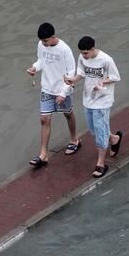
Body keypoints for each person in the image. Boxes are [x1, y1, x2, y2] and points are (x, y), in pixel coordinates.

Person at [65, 36, 123, 178]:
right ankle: (114, 139)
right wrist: (73, 80)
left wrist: (102, 82)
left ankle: (101, 163)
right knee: (93, 129)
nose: (83, 55)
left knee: (100, 131)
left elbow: (115, 77)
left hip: (103, 100)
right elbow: (81, 73)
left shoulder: (106, 60)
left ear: (93, 49)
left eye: (86, 53)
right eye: (81, 53)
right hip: (88, 98)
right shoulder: (82, 57)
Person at [25, 22, 81, 168]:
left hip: (63, 89)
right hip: (46, 88)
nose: (43, 43)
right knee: (44, 119)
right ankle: (43, 155)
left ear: (53, 36)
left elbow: (71, 72)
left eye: (46, 41)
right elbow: (41, 60)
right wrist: (34, 68)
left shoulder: (64, 49)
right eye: (41, 41)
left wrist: (63, 92)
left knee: (68, 114)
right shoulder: (41, 44)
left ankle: (74, 140)